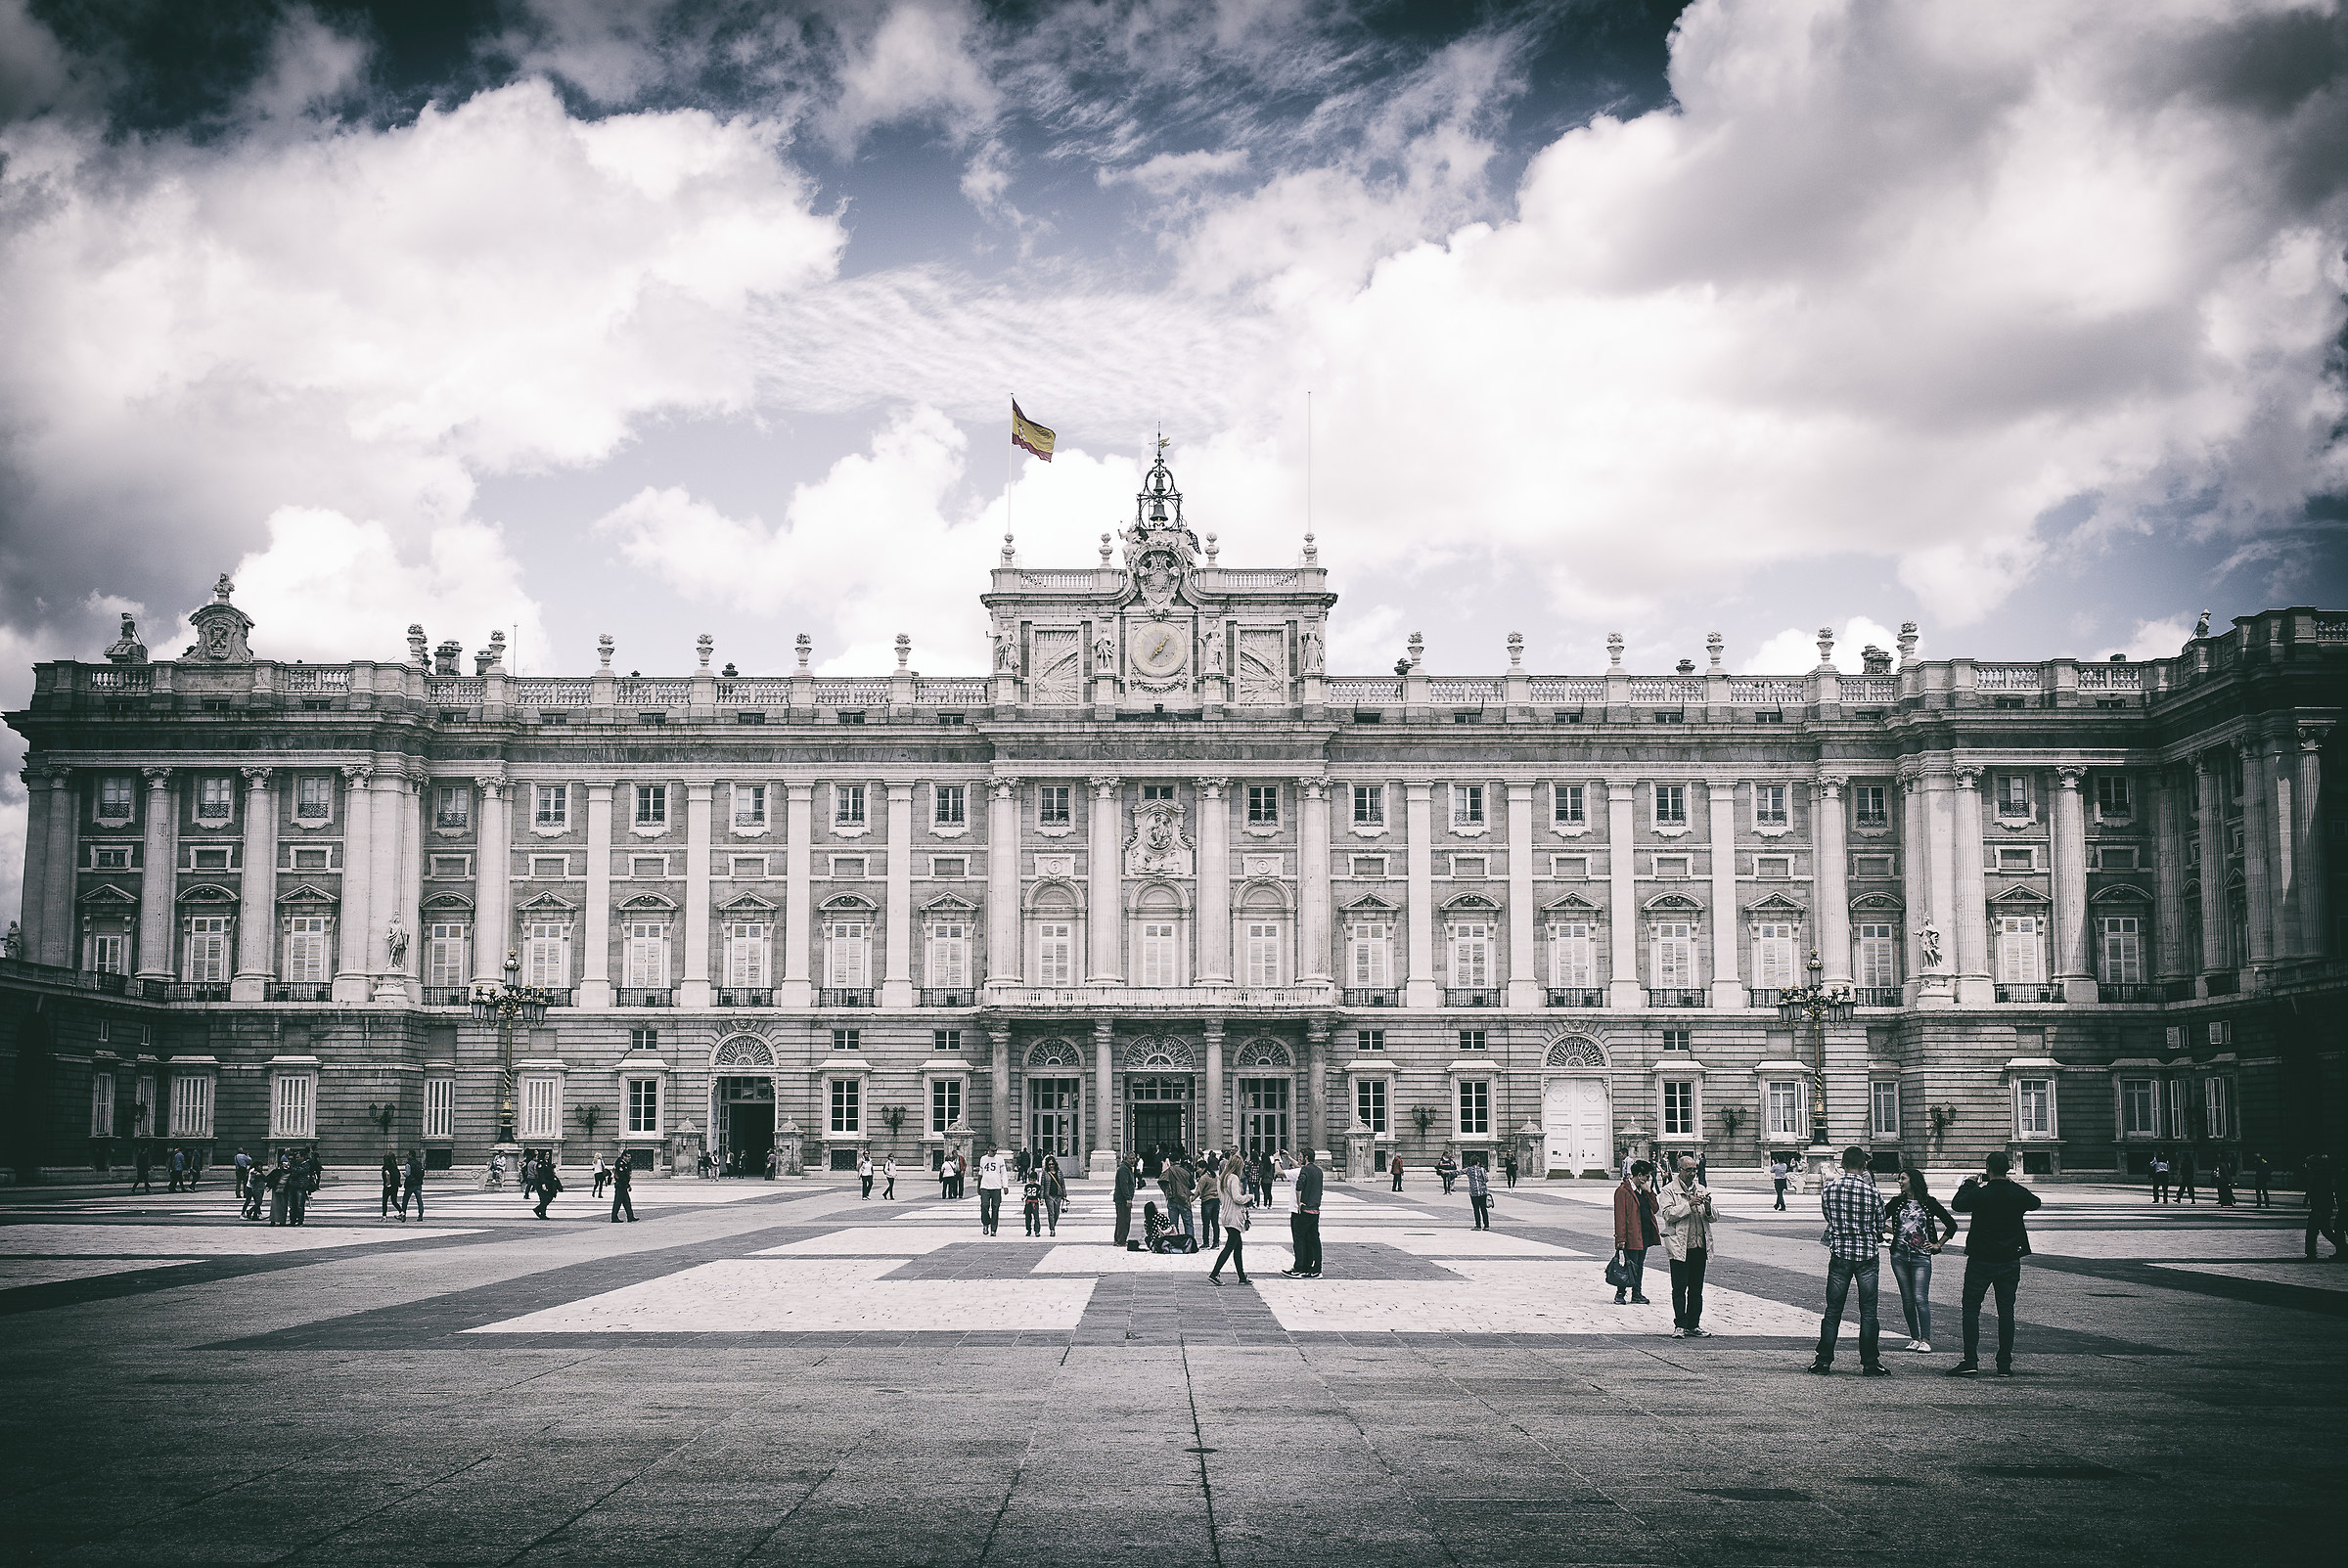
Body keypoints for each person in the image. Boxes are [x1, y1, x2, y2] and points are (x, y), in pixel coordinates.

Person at [1949, 1152, 2042, 1376]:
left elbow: (1957, 1204)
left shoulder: (1981, 1194)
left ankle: (1970, 1360)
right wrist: (2013, 1185)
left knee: (1971, 1309)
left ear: (1987, 1168)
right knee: (2006, 1311)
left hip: (1981, 1259)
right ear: (2008, 1169)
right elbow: (2035, 1203)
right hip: (2009, 1259)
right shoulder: (2015, 1193)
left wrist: (1969, 1184)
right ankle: (2004, 1364)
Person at [1809, 1146, 1889, 1376]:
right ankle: (1870, 1362)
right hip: (1866, 1256)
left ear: (1841, 1164)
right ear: (1864, 1165)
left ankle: (1823, 1360)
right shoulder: (1872, 1192)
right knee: (1869, 1312)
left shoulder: (1830, 1189)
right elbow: (1879, 1224)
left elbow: (1828, 1216)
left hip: (1841, 1254)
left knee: (1833, 1310)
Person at [1885, 1167, 1957, 1352]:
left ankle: (1926, 1339)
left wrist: (1938, 1244)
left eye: (1903, 1178)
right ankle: (1914, 1338)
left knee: (1920, 1297)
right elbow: (1877, 1219)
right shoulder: (1896, 1202)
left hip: (1921, 1256)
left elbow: (1951, 1224)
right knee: (1907, 1299)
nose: (1899, 1182)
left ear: (1913, 1181)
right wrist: (1891, 1231)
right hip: (1899, 1255)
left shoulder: (1929, 1202)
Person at [1658, 1154, 1713, 1337]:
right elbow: (1667, 1214)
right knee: (1679, 1287)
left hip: (1699, 1246)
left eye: (1694, 1169)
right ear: (1679, 1170)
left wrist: (1708, 1207)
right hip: (1680, 1246)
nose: (1692, 1173)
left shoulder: (1702, 1189)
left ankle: (1694, 1323)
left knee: (1697, 1288)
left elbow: (1713, 1217)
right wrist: (1688, 1205)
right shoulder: (1668, 1191)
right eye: (1688, 1170)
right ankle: (1680, 1324)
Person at [1611, 1159, 1657, 1306]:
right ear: (1639, 1175)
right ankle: (1620, 1293)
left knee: (1640, 1264)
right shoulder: (1623, 1191)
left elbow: (1655, 1208)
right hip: (1631, 1234)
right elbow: (1620, 1216)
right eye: (1647, 1177)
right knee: (1629, 1264)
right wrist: (1621, 1238)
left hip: (1644, 1233)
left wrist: (1650, 1192)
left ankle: (1637, 1293)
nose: (1648, 1180)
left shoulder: (1643, 1191)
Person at [1207, 1155, 1251, 1285]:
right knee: (1229, 1247)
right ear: (1239, 1166)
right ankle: (1214, 1274)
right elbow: (1237, 1198)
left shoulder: (1221, 1178)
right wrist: (1249, 1197)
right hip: (1233, 1216)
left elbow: (1222, 1198)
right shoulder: (1234, 1178)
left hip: (1226, 1214)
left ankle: (1242, 1277)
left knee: (1238, 1247)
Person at [1282, 1150, 1324, 1277]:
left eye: (1300, 1157)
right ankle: (1315, 1268)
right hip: (1315, 1210)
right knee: (1313, 1240)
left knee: (1299, 1239)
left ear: (1306, 1158)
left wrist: (1299, 1202)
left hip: (1304, 1210)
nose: (1299, 1160)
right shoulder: (1319, 1171)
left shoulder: (1304, 1171)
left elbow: (1299, 1186)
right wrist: (1289, 1157)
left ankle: (1299, 1268)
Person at [2306, 1152, 2346, 1261]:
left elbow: (2320, 1193)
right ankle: (2343, 1249)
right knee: (2325, 1230)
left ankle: (2311, 1254)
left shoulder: (2320, 1176)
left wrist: (2318, 1209)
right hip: (2324, 1207)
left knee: (2314, 1231)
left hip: (2321, 1208)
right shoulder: (2322, 1174)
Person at [1163, 1156, 1197, 1245]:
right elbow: (1193, 1186)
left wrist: (1168, 1191)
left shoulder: (1168, 1171)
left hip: (1172, 1199)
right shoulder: (1186, 1171)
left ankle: (1175, 1243)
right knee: (1188, 1223)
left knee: (1173, 1224)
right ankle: (1190, 1243)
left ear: (1170, 1161)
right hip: (1184, 1200)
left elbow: (1161, 1181)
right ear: (1180, 1160)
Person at [976, 1147, 1005, 1235]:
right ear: (988, 1150)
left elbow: (1003, 1173)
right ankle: (986, 1223)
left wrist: (1005, 1186)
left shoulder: (1000, 1159)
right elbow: (980, 1173)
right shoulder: (983, 1159)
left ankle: (993, 1229)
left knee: (995, 1207)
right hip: (985, 1186)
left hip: (996, 1186)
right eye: (993, 1151)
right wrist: (978, 1186)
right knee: (984, 1206)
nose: (994, 1152)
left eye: (996, 1150)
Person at [1114, 1152, 1139, 1247]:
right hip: (1123, 1199)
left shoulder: (1127, 1168)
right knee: (1124, 1220)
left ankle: (1118, 1239)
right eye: (1130, 1159)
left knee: (1121, 1219)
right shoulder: (1124, 1169)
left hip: (1122, 1198)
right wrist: (1128, 1199)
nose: (1133, 1160)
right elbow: (1124, 1185)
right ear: (1125, 1159)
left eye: (1134, 1158)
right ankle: (1121, 1240)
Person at [1198, 1154, 1223, 1250]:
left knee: (1206, 1223)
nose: (1197, 1170)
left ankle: (1206, 1242)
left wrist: (1190, 1199)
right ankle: (1216, 1242)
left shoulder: (1204, 1177)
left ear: (1203, 1168)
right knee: (1215, 1223)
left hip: (1207, 1201)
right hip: (1216, 1201)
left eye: (1198, 1168)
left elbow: (1198, 1191)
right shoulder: (1214, 1176)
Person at [1042, 1156, 1065, 1235]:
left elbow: (1062, 1184)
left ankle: (1053, 1225)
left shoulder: (1059, 1172)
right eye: (1049, 1164)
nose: (1051, 1166)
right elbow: (1042, 1186)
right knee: (1051, 1213)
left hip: (1058, 1195)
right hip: (1049, 1195)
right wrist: (1041, 1197)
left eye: (1052, 1164)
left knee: (1057, 1213)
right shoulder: (1045, 1173)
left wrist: (1064, 1195)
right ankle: (1052, 1229)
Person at [610, 1153, 637, 1222]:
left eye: (630, 1156)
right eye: (627, 1156)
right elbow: (621, 1176)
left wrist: (627, 1184)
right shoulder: (620, 1164)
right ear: (623, 1157)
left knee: (627, 1202)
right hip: (620, 1185)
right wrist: (626, 1183)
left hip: (623, 1185)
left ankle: (630, 1216)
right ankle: (614, 1217)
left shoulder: (626, 1164)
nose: (629, 1158)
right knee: (617, 1202)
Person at [1466, 1158, 1491, 1230]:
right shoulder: (1482, 1169)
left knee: (1476, 1209)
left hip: (1474, 1191)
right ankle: (1486, 1225)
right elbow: (1486, 1179)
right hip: (1482, 1191)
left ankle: (1478, 1225)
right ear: (1478, 1162)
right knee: (1483, 1209)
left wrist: (1447, 1172)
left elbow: (1458, 1172)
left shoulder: (1468, 1169)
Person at [401, 1149, 425, 1222]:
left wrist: (403, 1174)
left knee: (405, 1200)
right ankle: (420, 1215)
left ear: (411, 1155)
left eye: (407, 1154)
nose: (406, 1156)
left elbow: (408, 1174)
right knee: (419, 1200)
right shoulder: (418, 1163)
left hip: (410, 1184)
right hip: (418, 1183)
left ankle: (403, 1214)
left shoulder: (408, 1164)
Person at [1021, 1170, 1044, 1235]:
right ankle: (1028, 1229)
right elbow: (1025, 1193)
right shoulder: (1027, 1186)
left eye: (1033, 1180)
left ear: (1036, 1180)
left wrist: (1041, 1200)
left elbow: (1039, 1195)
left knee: (1036, 1217)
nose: (1031, 1181)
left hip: (1035, 1203)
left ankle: (1037, 1230)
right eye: (1030, 1180)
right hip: (1028, 1203)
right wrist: (1023, 1197)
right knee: (1027, 1217)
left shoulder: (1038, 1186)